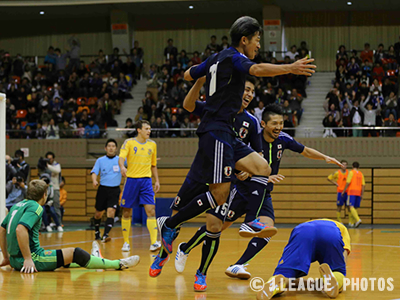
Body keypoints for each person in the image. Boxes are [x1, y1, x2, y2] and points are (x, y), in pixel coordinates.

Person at [154, 17, 316, 291]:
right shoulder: (236, 57)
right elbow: (258, 68)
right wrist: (291, 67)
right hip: (216, 131)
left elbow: (186, 74)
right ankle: (170, 224)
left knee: (262, 166)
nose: (258, 45)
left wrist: (203, 73)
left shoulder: (218, 57)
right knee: (218, 197)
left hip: (227, 133)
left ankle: (250, 220)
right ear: (245, 40)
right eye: (257, 40)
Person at [174, 104, 344, 285]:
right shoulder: (250, 141)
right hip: (241, 192)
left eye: (281, 123)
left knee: (268, 229)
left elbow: (305, 150)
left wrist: (325, 157)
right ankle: (185, 247)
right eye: (274, 123)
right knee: (217, 228)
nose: (278, 127)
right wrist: (246, 173)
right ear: (263, 123)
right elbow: (236, 165)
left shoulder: (284, 139)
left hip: (263, 194)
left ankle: (238, 265)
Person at [0, 180, 140, 273]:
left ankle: (95, 259)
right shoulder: (36, 207)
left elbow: (2, 229)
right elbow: (20, 229)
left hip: (15, 260)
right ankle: (118, 264)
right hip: (31, 259)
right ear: (44, 195)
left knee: (66, 258)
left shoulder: (16, 206)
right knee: (75, 253)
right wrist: (28, 258)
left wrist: (7, 257)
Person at [256, 219, 351, 299]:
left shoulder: (310, 223)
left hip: (302, 231)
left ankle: (277, 281)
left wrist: (305, 283)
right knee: (338, 271)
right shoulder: (343, 229)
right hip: (331, 232)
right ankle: (334, 279)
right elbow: (343, 257)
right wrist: (338, 271)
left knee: (286, 273)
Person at [118, 120, 161, 252]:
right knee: (126, 212)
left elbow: (153, 165)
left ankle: (154, 242)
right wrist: (121, 167)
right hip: (131, 181)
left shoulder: (153, 145)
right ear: (139, 130)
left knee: (151, 211)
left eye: (150, 129)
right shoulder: (129, 142)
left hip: (146, 182)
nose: (149, 131)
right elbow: (121, 158)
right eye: (146, 128)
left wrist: (157, 180)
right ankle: (126, 242)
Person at [91, 139, 121, 243]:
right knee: (98, 213)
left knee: (111, 212)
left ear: (116, 149)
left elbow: (134, 162)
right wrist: (94, 180)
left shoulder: (120, 160)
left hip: (115, 190)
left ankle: (106, 234)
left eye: (113, 146)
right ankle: (96, 231)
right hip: (103, 189)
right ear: (105, 148)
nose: (111, 148)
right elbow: (94, 172)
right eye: (109, 146)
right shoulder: (100, 160)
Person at [42, 152, 62, 226]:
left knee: (56, 207)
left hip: (55, 188)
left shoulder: (57, 165)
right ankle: (47, 223)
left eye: (50, 158)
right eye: (48, 158)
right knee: (46, 207)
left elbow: (57, 171)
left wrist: (48, 166)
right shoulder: (44, 166)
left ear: (53, 158)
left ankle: (59, 224)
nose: (49, 160)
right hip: (47, 189)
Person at [342, 162, 365, 228]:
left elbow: (348, 182)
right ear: (359, 167)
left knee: (350, 206)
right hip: (358, 192)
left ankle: (358, 219)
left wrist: (344, 191)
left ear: (352, 166)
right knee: (355, 208)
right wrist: (362, 194)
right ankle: (352, 222)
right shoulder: (361, 174)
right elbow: (363, 185)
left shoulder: (351, 172)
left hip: (352, 191)